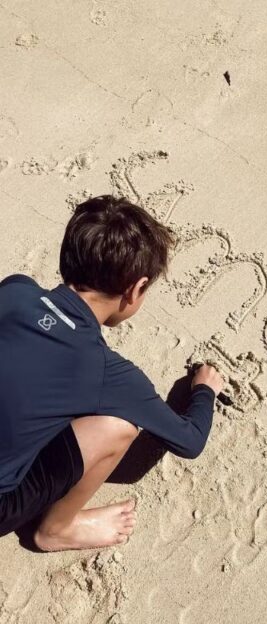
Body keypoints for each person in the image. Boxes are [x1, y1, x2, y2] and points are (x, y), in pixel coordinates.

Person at [0, 196, 226, 552]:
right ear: (135, 290)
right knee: (118, 427)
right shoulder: (107, 372)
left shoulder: (15, 289)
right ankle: (56, 529)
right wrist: (204, 390)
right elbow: (190, 440)